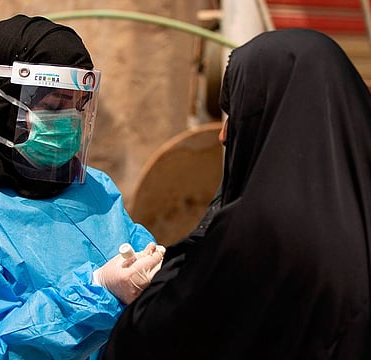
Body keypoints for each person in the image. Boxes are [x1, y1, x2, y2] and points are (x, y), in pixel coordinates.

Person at [0, 14, 164, 360]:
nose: (69, 121)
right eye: (52, 106)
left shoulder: (95, 188)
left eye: (77, 105)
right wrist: (98, 290)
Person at [103, 28, 371, 359]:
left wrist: (174, 268)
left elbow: (147, 337)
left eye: (237, 113)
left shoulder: (263, 236)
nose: (223, 135)